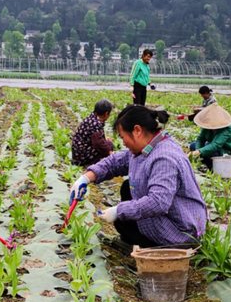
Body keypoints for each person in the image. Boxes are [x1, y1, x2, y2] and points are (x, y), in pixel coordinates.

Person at [69, 105, 206, 249]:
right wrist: (85, 178)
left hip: (182, 232)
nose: (123, 143)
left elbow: (158, 202)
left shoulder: (164, 157)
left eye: (123, 137)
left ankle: (155, 249)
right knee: (128, 188)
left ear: (137, 130)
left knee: (123, 219)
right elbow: (115, 162)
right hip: (171, 218)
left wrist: (118, 211)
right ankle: (138, 241)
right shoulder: (146, 147)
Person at [188, 103, 231, 171]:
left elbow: (215, 145)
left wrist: (198, 152)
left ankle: (215, 169)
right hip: (216, 149)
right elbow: (200, 139)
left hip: (228, 153)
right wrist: (197, 151)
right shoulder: (207, 127)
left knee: (208, 147)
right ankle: (209, 166)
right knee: (193, 145)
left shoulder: (226, 129)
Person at [72, 99, 114, 166]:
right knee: (109, 145)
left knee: (107, 143)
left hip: (78, 153)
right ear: (106, 114)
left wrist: (104, 139)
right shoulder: (96, 124)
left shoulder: (91, 118)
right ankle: (98, 161)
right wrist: (111, 153)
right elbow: (98, 143)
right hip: (83, 156)